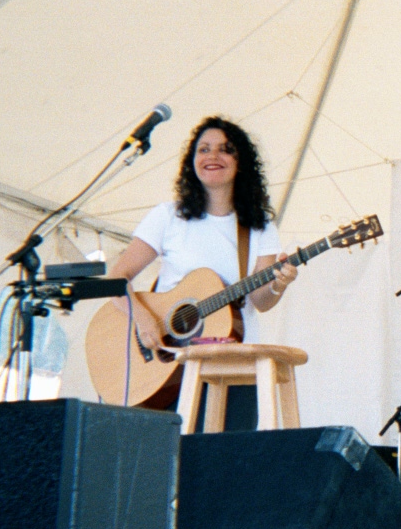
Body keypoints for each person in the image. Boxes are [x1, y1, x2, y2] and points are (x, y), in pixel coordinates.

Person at [107, 115, 297, 429]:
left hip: (234, 367)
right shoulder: (168, 216)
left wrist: (279, 284)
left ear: (241, 163)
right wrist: (143, 319)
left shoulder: (259, 225)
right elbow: (116, 279)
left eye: (225, 149)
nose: (213, 156)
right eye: (203, 149)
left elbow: (261, 302)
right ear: (191, 161)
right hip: (169, 363)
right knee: (168, 456)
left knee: (228, 453)